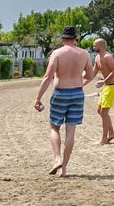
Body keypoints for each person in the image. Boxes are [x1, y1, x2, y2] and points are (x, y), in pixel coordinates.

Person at [33, 26, 95, 177]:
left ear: (62, 38)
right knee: (71, 131)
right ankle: (64, 169)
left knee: (54, 127)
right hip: (77, 93)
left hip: (61, 93)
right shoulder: (84, 54)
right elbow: (90, 75)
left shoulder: (57, 53)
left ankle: (57, 159)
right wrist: (80, 82)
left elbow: (48, 77)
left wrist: (38, 98)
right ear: (76, 38)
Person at [92, 38, 114, 146]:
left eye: (95, 45)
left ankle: (104, 139)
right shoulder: (97, 58)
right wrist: (81, 80)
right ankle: (111, 133)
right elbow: (92, 73)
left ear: (101, 46)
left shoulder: (107, 57)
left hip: (112, 87)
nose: (93, 47)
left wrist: (104, 81)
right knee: (100, 111)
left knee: (104, 113)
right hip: (107, 87)